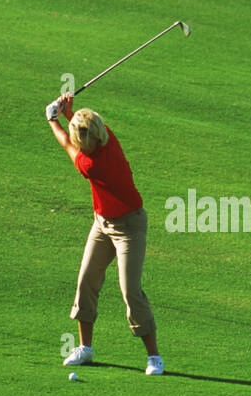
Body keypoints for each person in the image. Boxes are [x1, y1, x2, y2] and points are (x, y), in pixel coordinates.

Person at [45, 94, 163, 375]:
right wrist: (69, 112)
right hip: (102, 224)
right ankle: (85, 348)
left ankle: (154, 357)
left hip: (129, 227)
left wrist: (53, 118)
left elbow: (65, 142)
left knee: (130, 291)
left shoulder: (92, 165)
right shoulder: (108, 135)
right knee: (86, 280)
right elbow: (79, 130)